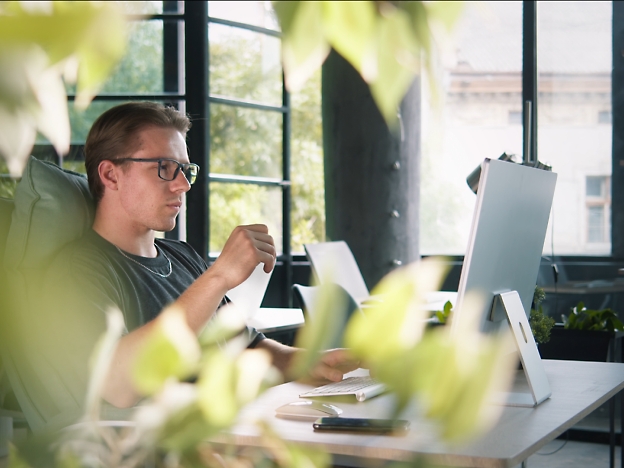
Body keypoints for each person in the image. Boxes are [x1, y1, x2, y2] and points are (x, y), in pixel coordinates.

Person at [39, 102, 357, 419]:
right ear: (111, 174)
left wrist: (311, 363)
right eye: (164, 167)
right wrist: (218, 278)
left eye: (185, 170)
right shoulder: (76, 273)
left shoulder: (184, 257)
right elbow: (119, 386)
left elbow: (250, 347)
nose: (184, 184)